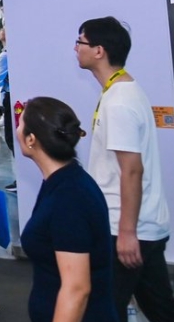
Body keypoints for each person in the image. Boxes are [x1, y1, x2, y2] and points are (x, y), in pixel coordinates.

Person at [77, 17, 174, 321]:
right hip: (139, 225)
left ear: (99, 51)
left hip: (127, 228)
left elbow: (132, 170)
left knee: (106, 310)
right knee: (160, 309)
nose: (76, 48)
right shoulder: (120, 91)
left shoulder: (119, 101)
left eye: (81, 41)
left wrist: (127, 232)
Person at [17, 96, 119, 322]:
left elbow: (77, 289)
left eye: (20, 124)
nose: (16, 130)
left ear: (31, 139)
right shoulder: (62, 182)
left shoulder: (70, 198)